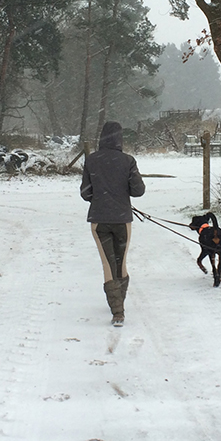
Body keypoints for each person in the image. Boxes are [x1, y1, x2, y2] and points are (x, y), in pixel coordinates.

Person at [80, 121, 145, 327]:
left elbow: (85, 193)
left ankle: (117, 311)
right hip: (122, 218)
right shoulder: (128, 161)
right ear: (120, 138)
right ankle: (118, 303)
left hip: (99, 219)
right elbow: (138, 190)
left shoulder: (91, 160)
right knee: (121, 262)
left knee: (108, 264)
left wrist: (101, 197)